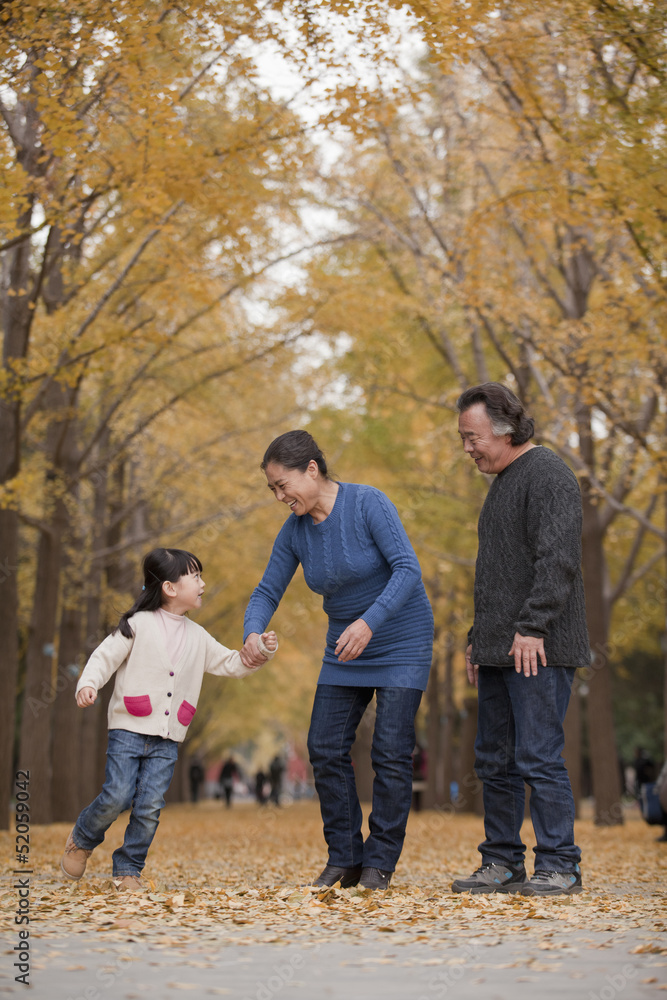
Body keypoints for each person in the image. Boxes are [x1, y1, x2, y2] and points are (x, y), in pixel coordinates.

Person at [241, 429, 434, 891]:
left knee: (390, 752)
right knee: (325, 747)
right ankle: (345, 857)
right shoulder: (295, 532)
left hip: (400, 637)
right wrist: (251, 631)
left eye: (282, 485)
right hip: (345, 646)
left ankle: (379, 863)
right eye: (272, 490)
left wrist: (369, 623)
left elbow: (408, 568)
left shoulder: (368, 503)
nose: (279, 496)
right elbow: (268, 589)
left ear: (312, 469)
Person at [60, 547, 277, 891]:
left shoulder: (198, 636)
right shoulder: (137, 625)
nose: (203, 584)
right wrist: (88, 684)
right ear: (170, 588)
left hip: (169, 736)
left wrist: (260, 650)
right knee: (117, 795)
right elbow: (104, 657)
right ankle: (83, 837)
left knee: (148, 807)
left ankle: (128, 869)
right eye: (196, 577)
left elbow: (232, 664)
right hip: (130, 726)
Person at [452, 383, 589, 897]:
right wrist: (476, 639)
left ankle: (561, 865)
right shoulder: (502, 483)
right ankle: (503, 863)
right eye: (463, 437)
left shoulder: (549, 475)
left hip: (540, 647)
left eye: (473, 437)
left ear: (506, 431)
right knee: (494, 760)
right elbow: (497, 574)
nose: (467, 448)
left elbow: (557, 561)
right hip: (498, 651)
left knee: (538, 756)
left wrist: (532, 627)